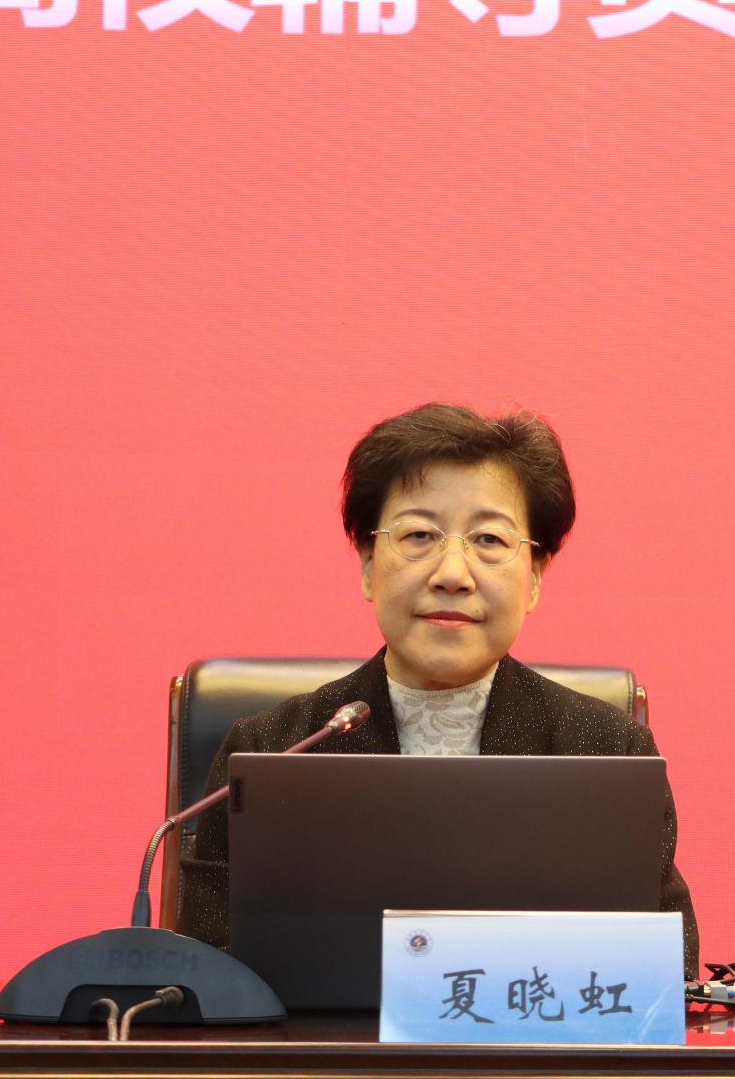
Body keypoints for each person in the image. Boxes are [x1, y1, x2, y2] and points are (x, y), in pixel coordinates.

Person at [174, 403, 699, 968]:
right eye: (420, 534)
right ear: (369, 565)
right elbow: (211, 971)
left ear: (534, 577)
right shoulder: (275, 748)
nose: (452, 573)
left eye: (489, 540)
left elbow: (665, 972)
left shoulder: (608, 750)